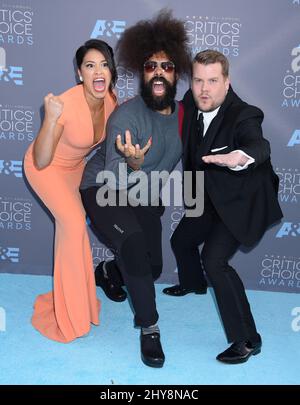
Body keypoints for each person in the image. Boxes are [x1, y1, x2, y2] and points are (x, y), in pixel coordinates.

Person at [80, 10, 191, 367]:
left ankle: (109, 272)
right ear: (141, 73)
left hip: (142, 195)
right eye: (150, 65)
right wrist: (137, 164)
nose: (159, 71)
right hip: (104, 187)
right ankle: (150, 328)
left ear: (177, 73)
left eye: (167, 65)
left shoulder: (184, 117)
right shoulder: (125, 117)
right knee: (133, 247)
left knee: (153, 267)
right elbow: (114, 180)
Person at [163, 50, 283, 363]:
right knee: (181, 240)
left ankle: (248, 340)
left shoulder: (244, 114)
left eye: (213, 81)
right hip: (207, 196)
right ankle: (193, 284)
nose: (204, 89)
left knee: (214, 260)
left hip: (239, 201)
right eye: (199, 80)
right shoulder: (192, 100)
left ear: (226, 83)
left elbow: (259, 145)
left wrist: (240, 157)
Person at [23, 39, 117, 343]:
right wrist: (50, 118)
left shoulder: (111, 101)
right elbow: (41, 159)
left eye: (104, 64)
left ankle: (77, 305)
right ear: (80, 74)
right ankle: (68, 316)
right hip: (45, 167)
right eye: (90, 65)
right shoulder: (65, 105)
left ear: (111, 71)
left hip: (74, 168)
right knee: (74, 224)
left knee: (73, 232)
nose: (98, 71)